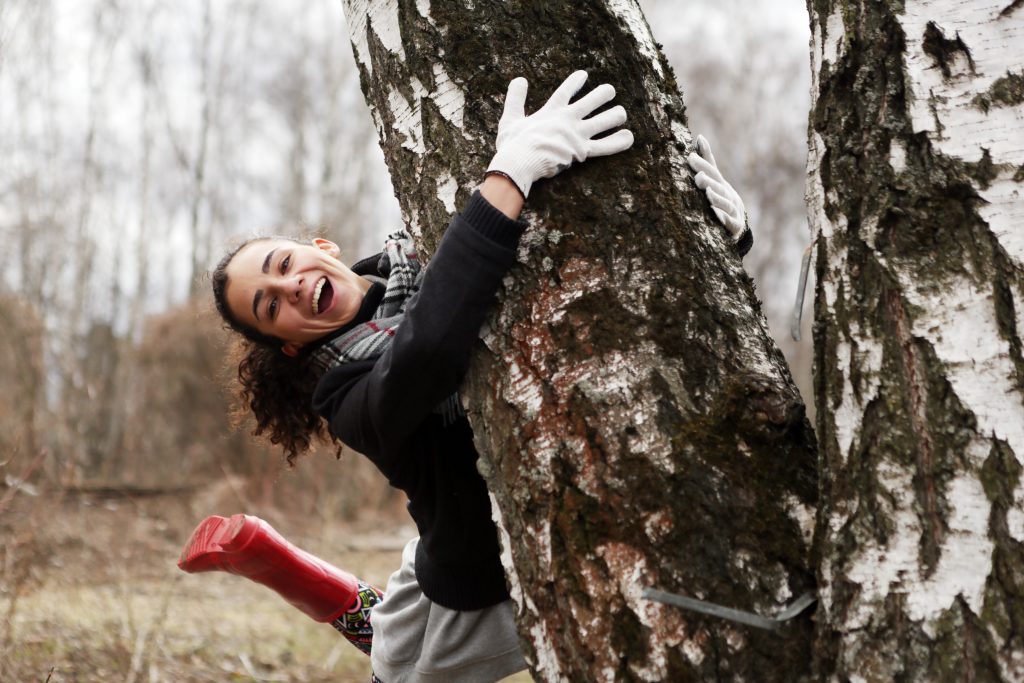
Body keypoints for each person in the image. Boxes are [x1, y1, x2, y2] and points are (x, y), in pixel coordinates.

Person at [178, 70, 749, 683]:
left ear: (323, 247)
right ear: (287, 346)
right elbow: (428, 350)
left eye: (282, 262)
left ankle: (303, 575)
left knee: (393, 639)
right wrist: (510, 174)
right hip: (480, 581)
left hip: (440, 539)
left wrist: (724, 248)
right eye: (269, 306)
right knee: (397, 674)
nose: (288, 286)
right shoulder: (344, 395)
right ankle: (279, 561)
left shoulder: (421, 257)